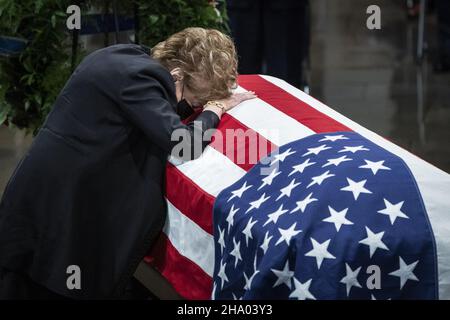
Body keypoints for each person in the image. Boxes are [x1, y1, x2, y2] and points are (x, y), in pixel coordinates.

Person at [0, 27, 256, 299]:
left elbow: (160, 108)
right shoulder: (140, 78)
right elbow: (184, 144)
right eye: (196, 100)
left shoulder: (125, 58)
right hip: (59, 217)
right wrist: (215, 109)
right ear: (177, 75)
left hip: (47, 205)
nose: (193, 108)